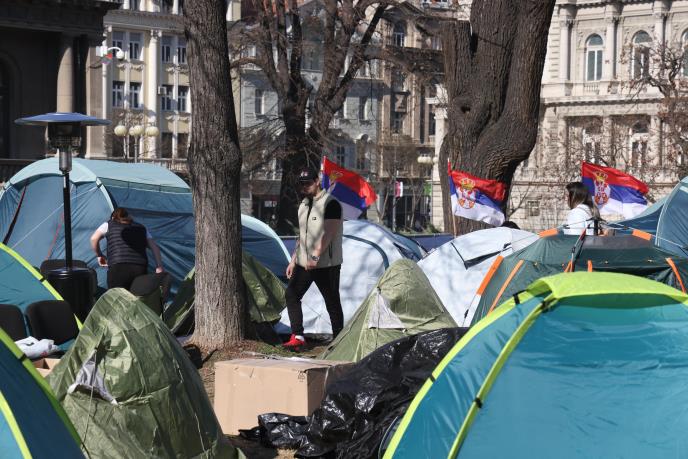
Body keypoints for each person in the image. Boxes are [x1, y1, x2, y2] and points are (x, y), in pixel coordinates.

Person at [283, 166, 344, 350]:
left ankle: (339, 340)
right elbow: (302, 236)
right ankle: (298, 336)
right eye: (302, 184)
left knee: (332, 302)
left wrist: (315, 257)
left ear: (317, 181)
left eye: (308, 183)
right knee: (291, 294)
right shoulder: (304, 205)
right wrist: (294, 260)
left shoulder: (331, 204)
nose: (305, 187)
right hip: (304, 263)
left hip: (326, 264)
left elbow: (328, 234)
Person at [90, 207, 164, 290]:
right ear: (129, 216)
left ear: (113, 217)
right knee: (137, 297)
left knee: (117, 297)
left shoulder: (108, 224)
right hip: (139, 267)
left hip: (118, 267)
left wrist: (99, 255)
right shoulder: (141, 228)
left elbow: (93, 239)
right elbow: (154, 247)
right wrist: (159, 266)